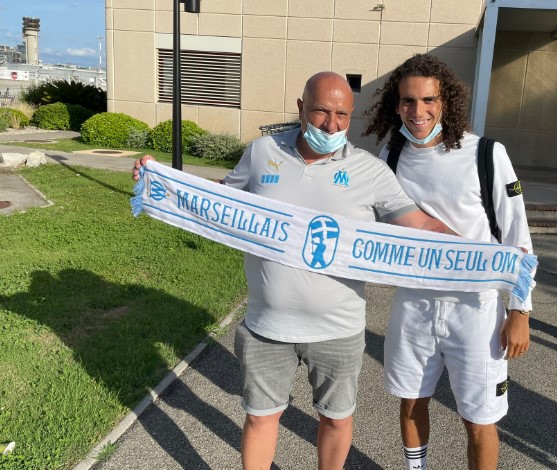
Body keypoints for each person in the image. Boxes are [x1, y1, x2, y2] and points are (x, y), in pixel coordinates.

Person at [133, 71, 451, 470]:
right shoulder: (262, 151)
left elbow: (422, 225)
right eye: (320, 111)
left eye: (341, 115)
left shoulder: (370, 172)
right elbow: (220, 201)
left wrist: (490, 256)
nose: (331, 125)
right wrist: (163, 180)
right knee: (260, 417)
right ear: (301, 108)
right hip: (268, 326)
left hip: (339, 327)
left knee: (336, 419)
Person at [363, 54, 533, 470]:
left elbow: (517, 237)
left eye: (428, 100)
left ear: (446, 101)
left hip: (475, 310)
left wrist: (520, 310)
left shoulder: (486, 154)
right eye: (407, 101)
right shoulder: (391, 154)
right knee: (409, 403)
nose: (417, 111)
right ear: (395, 105)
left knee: (479, 420)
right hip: (414, 304)